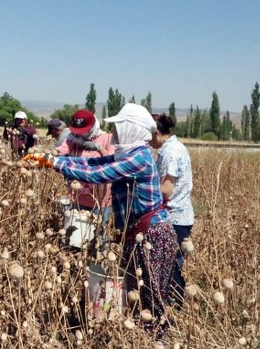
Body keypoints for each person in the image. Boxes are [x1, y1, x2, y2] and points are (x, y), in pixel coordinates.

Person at [50, 103, 177, 339]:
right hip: (137, 234)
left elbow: (98, 175)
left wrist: (57, 165)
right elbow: (94, 163)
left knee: (150, 298)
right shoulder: (127, 154)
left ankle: (158, 341)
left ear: (131, 129)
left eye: (119, 128)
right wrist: (54, 159)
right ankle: (144, 339)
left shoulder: (139, 157)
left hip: (151, 236)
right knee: (137, 293)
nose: (115, 133)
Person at [150, 113, 194, 308]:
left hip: (174, 216)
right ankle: (173, 306)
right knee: (173, 264)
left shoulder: (168, 152)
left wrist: (143, 187)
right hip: (182, 214)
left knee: (170, 267)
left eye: (149, 135)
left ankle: (174, 306)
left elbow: (166, 189)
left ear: (158, 133)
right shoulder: (178, 146)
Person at [56, 109, 115, 213]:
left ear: (92, 126)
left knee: (98, 228)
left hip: (99, 199)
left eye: (84, 130)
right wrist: (50, 155)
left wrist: (99, 148)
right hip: (77, 195)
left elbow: (112, 162)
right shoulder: (74, 138)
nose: (81, 134)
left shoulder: (108, 138)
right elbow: (62, 150)